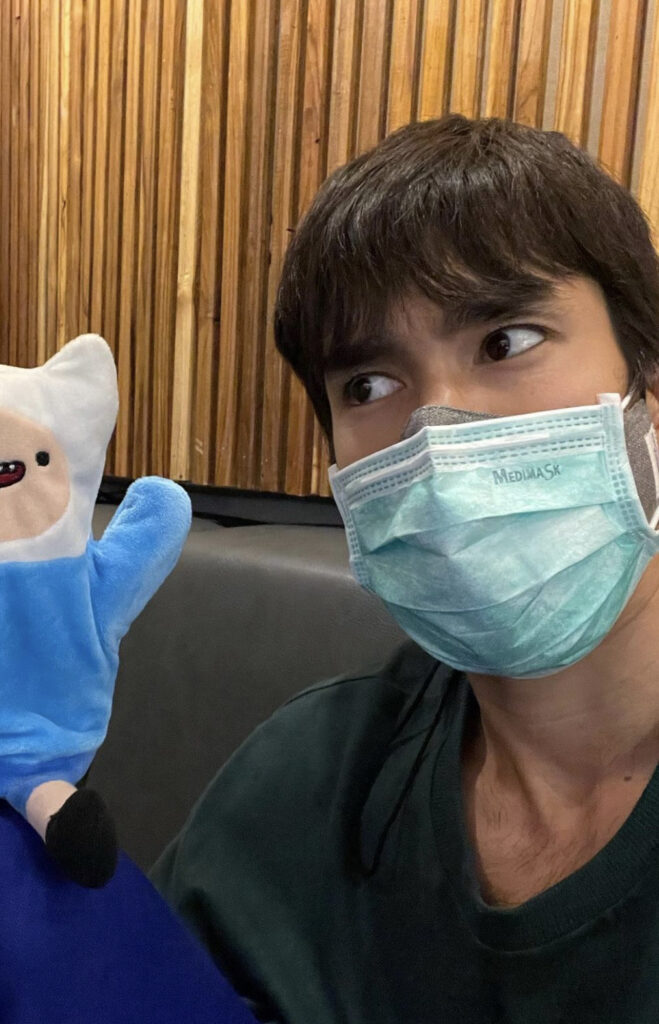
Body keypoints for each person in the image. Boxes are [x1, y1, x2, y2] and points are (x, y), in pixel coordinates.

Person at [150, 114, 659, 1023]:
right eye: (369, 386)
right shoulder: (301, 789)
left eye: (505, 340)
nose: (436, 434)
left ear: (646, 389)